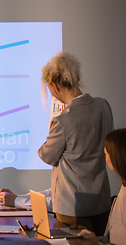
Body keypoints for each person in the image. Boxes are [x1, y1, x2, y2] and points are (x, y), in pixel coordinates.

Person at [38, 52, 114, 235]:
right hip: (102, 201)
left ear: (54, 86)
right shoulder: (104, 106)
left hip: (72, 206)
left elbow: (46, 155)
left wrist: (52, 125)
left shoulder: (63, 120)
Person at [77, 129, 126, 245]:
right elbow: (112, 240)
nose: (104, 155)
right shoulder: (122, 189)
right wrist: (92, 238)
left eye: (106, 153)